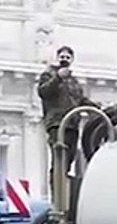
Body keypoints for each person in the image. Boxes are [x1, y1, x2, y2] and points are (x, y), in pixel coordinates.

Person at [37, 45, 97, 185]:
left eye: (67, 57)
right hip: (57, 123)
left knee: (70, 158)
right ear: (57, 58)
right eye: (62, 57)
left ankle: (64, 186)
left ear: (72, 60)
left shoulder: (74, 82)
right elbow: (43, 92)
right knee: (59, 158)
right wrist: (58, 77)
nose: (64, 59)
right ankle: (57, 189)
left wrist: (96, 108)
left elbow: (80, 100)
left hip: (72, 124)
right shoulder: (48, 75)